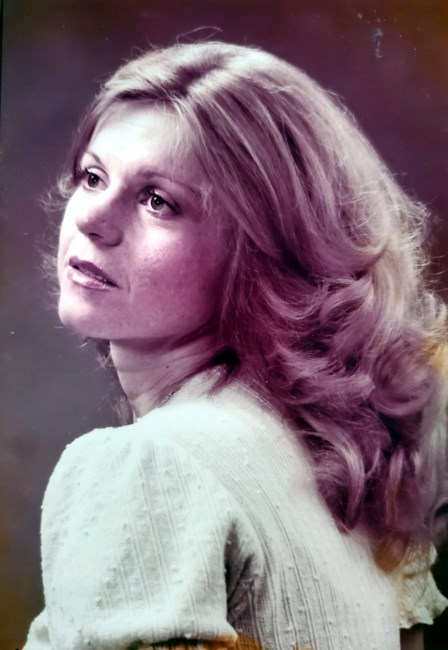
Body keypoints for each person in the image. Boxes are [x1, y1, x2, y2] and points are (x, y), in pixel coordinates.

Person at [24, 41, 448, 650]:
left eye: (158, 201)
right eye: (93, 177)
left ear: (258, 251)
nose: (93, 219)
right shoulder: (340, 461)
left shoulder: (151, 465)